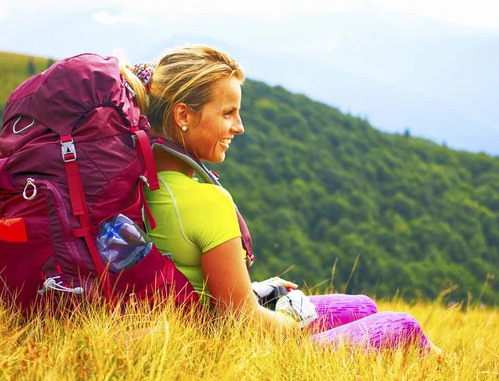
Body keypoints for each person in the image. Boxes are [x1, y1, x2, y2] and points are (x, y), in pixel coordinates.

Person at [121, 45, 440, 352]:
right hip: (230, 347)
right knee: (404, 327)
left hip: (198, 326)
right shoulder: (207, 201)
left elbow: (189, 273)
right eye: (228, 113)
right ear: (183, 116)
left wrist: (259, 290)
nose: (240, 127)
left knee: (362, 306)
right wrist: (291, 319)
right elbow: (243, 321)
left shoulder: (136, 186)